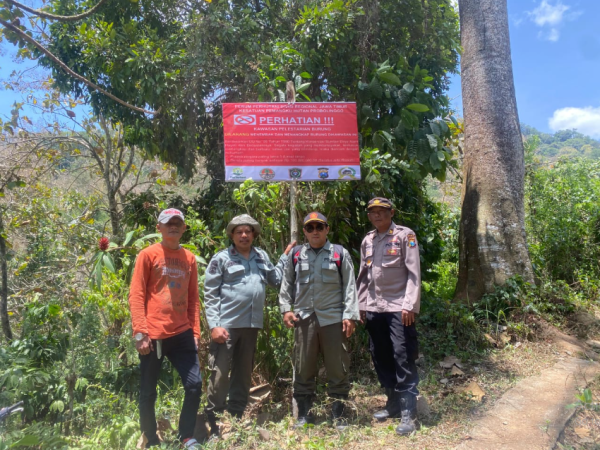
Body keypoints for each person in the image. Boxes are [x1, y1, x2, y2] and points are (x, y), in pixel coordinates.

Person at [203, 214, 295, 438]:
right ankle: (213, 422)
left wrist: (284, 258)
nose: (244, 235)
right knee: (220, 375)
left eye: (248, 231)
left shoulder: (261, 256)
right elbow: (210, 293)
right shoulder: (222, 258)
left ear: (254, 234)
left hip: (251, 326)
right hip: (226, 327)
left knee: (243, 375)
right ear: (232, 235)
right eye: (239, 231)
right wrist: (214, 325)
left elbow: (275, 280)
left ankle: (234, 418)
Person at [128, 208, 202, 448]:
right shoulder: (147, 255)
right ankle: (150, 438)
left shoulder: (189, 258)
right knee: (148, 392)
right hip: (153, 335)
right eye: (167, 223)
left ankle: (186, 436)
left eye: (177, 223)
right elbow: (136, 294)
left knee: (194, 385)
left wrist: (195, 332)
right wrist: (140, 333)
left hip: (182, 333)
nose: (173, 226)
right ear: (159, 227)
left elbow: (193, 299)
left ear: (183, 228)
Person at [279, 212, 359, 430]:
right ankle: (305, 415)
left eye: (319, 227)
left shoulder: (339, 253)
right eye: (310, 227)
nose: (315, 231)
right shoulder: (296, 254)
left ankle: (338, 414)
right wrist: (286, 309)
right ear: (305, 231)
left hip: (333, 318)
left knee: (337, 367)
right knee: (303, 366)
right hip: (304, 318)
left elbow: (350, 286)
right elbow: (286, 284)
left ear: (327, 229)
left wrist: (350, 315)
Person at [356, 197, 422, 436]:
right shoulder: (368, 240)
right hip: (375, 307)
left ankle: (408, 411)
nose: (377, 216)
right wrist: (361, 305)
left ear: (391, 213)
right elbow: (364, 276)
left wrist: (410, 305)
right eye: (372, 212)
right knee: (380, 355)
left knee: (402, 355)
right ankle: (393, 403)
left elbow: (414, 273)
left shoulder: (405, 236)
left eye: (382, 211)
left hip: (399, 308)